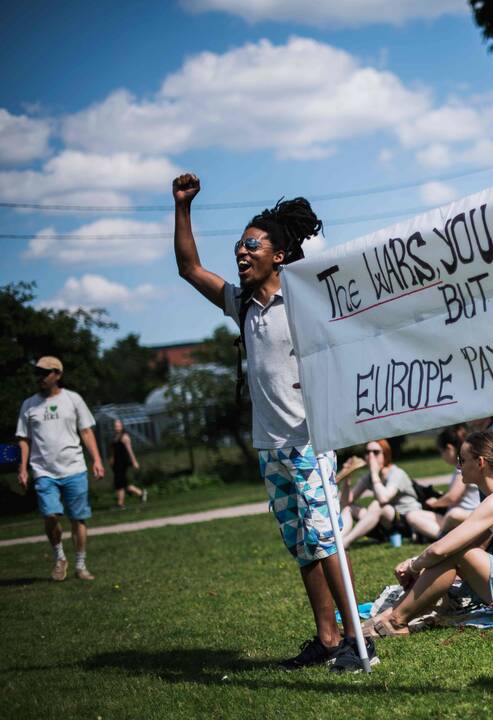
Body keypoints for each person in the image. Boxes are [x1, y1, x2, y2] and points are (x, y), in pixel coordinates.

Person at [171, 172, 375, 673]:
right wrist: (182, 207)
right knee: (302, 544)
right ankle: (326, 639)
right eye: (239, 247)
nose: (241, 253)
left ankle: (357, 640)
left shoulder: (305, 301)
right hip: (271, 447)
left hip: (310, 440)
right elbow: (189, 267)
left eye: (252, 246)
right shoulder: (240, 304)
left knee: (326, 538)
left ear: (279, 255)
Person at [363, 430, 493, 636]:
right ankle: (396, 614)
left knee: (457, 553)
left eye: (462, 460)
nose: (458, 466)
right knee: (457, 552)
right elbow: (470, 546)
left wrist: (413, 566)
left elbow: (441, 550)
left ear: (480, 462)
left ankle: (396, 621)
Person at [15, 356, 105, 581]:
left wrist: (96, 459)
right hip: (44, 471)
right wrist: (23, 468)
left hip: (74, 468)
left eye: (45, 373)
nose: (40, 377)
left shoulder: (73, 400)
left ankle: (81, 565)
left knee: (78, 519)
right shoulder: (29, 405)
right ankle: (60, 557)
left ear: (57, 375)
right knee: (50, 516)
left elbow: (86, 431)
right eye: (38, 372)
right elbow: (23, 439)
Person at [339, 438, 441, 545]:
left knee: (377, 505)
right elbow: (345, 502)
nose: (371, 456)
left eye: (376, 452)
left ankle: (346, 541)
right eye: (367, 452)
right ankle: (338, 543)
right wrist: (347, 479)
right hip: (386, 521)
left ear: (386, 454)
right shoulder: (368, 477)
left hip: (407, 519)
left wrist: (374, 473)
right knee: (348, 509)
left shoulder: (396, 474)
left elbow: (384, 499)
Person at [424, 426, 481, 535]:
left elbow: (452, 497)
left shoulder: (463, 466)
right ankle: (444, 535)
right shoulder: (463, 465)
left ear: (449, 448)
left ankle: (442, 537)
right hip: (462, 516)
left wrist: (435, 503)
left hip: (468, 515)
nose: (442, 456)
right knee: (413, 515)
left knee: (453, 514)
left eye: (441, 452)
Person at [110, 419, 147, 509]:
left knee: (119, 482)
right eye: (115, 426)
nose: (117, 427)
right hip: (116, 463)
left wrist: (134, 461)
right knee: (123, 484)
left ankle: (120, 504)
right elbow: (114, 451)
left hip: (123, 463)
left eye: (118, 425)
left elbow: (129, 450)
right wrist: (112, 459)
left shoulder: (125, 436)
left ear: (122, 426)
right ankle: (141, 493)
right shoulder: (115, 437)